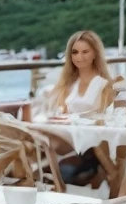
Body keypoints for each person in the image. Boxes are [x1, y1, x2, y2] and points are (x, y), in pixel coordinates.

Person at [47, 30, 116, 187]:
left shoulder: (104, 84)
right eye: (75, 52)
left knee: (46, 149)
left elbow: (104, 117)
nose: (80, 57)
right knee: (40, 143)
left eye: (85, 52)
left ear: (95, 54)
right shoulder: (68, 83)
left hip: (92, 144)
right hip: (68, 139)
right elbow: (61, 112)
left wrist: (75, 118)